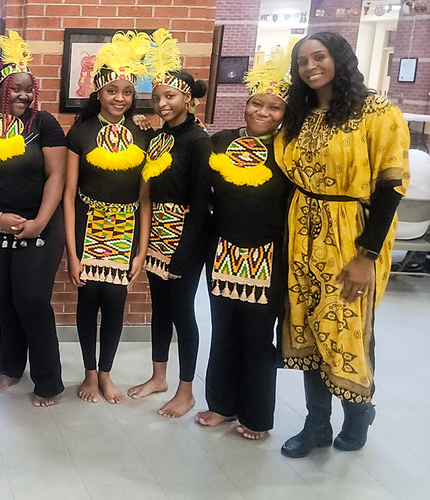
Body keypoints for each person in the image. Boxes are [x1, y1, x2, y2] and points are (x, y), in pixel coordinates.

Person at [275, 32, 410, 457]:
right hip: (302, 234)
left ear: (340, 58)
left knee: (347, 327)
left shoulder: (378, 112)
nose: (310, 67)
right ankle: (316, 424)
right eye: (302, 61)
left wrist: (366, 256)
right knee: (308, 324)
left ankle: (358, 412)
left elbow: (391, 187)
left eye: (319, 57)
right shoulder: (301, 114)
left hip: (351, 235)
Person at [0, 31, 68, 407]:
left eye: (28, 89)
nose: (23, 96)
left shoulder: (44, 125)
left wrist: (39, 222)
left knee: (32, 299)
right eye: (15, 89)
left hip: (41, 225)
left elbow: (57, 176)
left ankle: (48, 380)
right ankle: (9, 366)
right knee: (6, 297)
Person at [194, 47, 294, 440]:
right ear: (246, 102)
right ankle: (222, 404)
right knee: (224, 331)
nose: (262, 112)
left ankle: (256, 416)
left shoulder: (288, 151)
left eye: (274, 107)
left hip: (269, 255)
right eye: (257, 103)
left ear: (285, 113)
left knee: (257, 338)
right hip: (223, 251)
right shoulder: (220, 141)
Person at [63, 31, 153, 405]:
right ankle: (88, 374)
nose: (120, 98)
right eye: (112, 90)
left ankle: (106, 374)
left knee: (116, 306)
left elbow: (145, 200)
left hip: (126, 232)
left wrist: (141, 251)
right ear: (98, 92)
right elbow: (68, 195)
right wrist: (72, 254)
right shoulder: (80, 132)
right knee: (87, 305)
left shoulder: (144, 134)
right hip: (87, 229)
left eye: (127, 92)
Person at [126, 29, 211, 419]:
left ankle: (186, 391)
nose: (162, 103)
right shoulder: (159, 138)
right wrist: (145, 246)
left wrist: (181, 255)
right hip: (158, 231)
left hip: (186, 238)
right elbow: (147, 194)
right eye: (157, 97)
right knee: (159, 309)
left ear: (187, 99)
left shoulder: (198, 141)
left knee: (182, 312)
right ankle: (158, 377)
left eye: (170, 96)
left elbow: (201, 204)